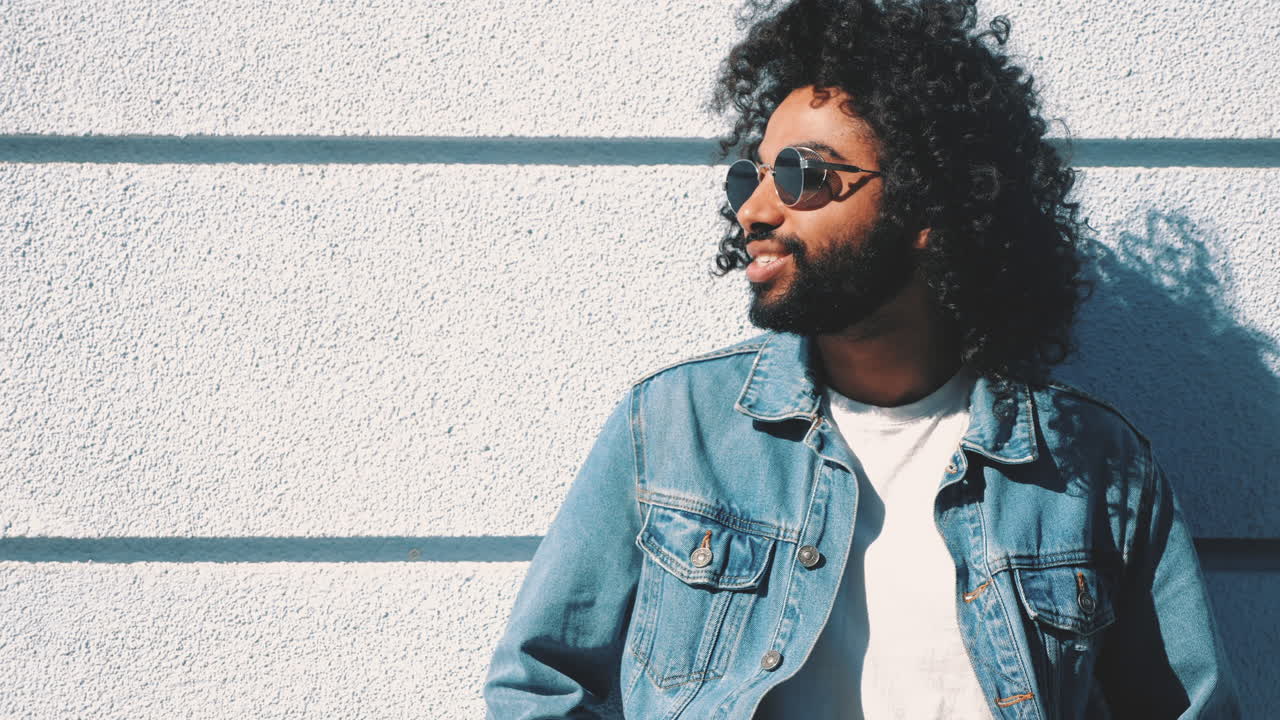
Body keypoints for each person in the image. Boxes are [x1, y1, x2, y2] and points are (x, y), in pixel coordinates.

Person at [483, 0, 1240, 717]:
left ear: (926, 206)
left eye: (801, 176)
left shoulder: (1091, 465)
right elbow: (538, 684)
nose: (753, 210)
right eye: (751, 176)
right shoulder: (676, 428)